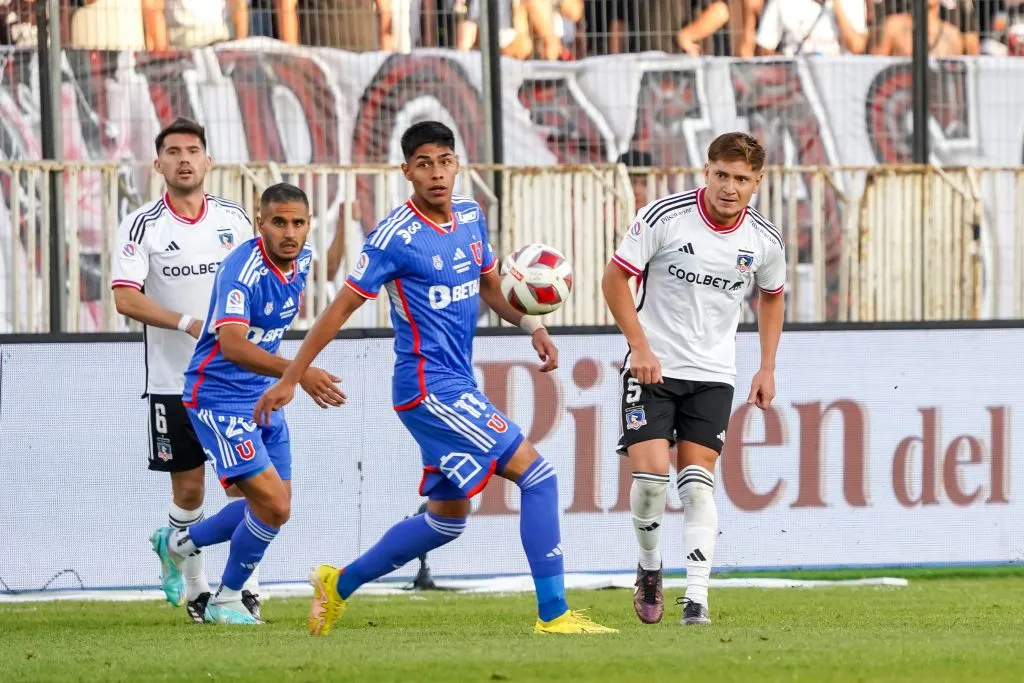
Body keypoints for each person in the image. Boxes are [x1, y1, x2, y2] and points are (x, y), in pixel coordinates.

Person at [253, 120, 617, 636]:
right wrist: (293, 375)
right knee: (539, 477)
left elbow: (491, 287)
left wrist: (531, 323)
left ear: (457, 165)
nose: (436, 173)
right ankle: (554, 615)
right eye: (423, 164)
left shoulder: (470, 217)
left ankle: (337, 584)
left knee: (447, 518)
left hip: (455, 384)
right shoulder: (393, 237)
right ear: (406, 172)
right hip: (428, 388)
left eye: (444, 162)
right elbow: (339, 308)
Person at [601, 132, 786, 626]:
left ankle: (698, 598)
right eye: (722, 175)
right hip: (653, 368)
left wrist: (766, 365)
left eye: (741, 179)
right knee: (649, 479)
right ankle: (649, 566)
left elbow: (773, 296)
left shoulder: (764, 241)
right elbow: (614, 279)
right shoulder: (665, 217)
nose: (730, 187)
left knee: (698, 486)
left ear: (757, 183)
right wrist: (638, 346)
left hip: (712, 376)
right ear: (706, 171)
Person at [148, 183, 345, 624]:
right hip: (218, 397)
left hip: (263, 397)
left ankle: (177, 544)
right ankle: (226, 598)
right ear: (260, 224)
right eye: (279, 222)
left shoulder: (304, 260)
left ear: (308, 224)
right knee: (274, 506)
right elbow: (233, 345)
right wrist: (299, 372)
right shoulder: (243, 270)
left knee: (275, 507)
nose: (289, 232)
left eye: (298, 222)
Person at [110, 117, 258, 622]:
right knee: (190, 490)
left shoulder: (235, 220)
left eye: (193, 150)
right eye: (173, 152)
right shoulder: (142, 225)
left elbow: (257, 282)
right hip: (173, 385)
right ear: (158, 164)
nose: (184, 159)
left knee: (245, 487)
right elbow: (125, 298)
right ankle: (194, 585)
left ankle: (242, 589)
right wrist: (187, 322)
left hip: (233, 381)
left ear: (208, 160)